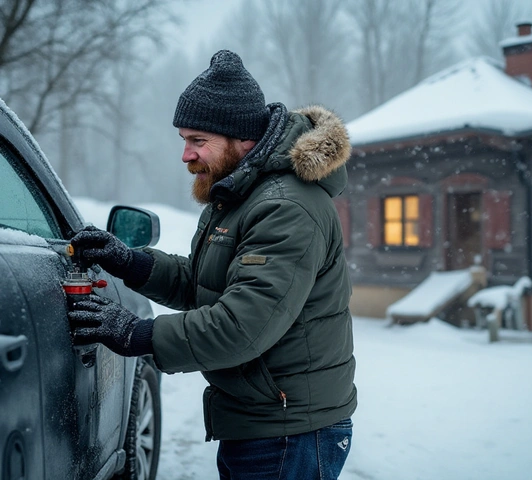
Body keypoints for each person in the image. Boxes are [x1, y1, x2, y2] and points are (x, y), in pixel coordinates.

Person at [68, 50, 357, 479]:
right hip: (265, 419)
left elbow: (244, 324)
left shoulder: (285, 206)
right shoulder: (240, 193)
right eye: (184, 140)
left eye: (197, 141)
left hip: (289, 432)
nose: (185, 155)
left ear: (244, 139)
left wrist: (135, 333)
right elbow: (207, 283)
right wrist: (129, 261)